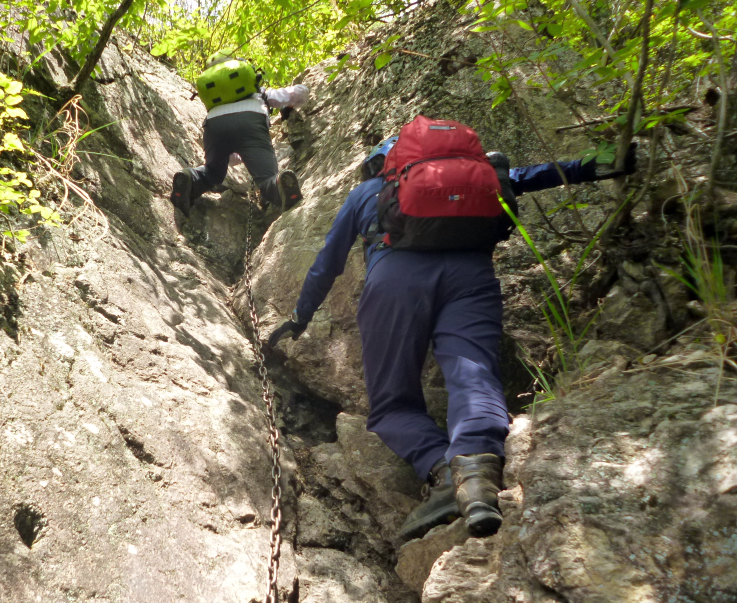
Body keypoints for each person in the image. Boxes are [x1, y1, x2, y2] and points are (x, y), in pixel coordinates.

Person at [267, 134, 637, 540]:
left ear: (380, 166)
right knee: (473, 374)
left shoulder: (366, 193)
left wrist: (301, 317)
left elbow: (327, 263)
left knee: (392, 403)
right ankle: (478, 477)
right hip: (471, 277)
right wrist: (603, 161)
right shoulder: (472, 179)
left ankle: (443, 473)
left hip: (395, 282)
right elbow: (532, 175)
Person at [171, 53, 309, 215]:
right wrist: (292, 104)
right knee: (266, 179)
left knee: (212, 172)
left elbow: (230, 157)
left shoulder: (214, 101)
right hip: (252, 121)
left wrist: (240, 153)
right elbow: (299, 93)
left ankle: (189, 178)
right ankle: (282, 187)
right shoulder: (258, 93)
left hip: (214, 124)